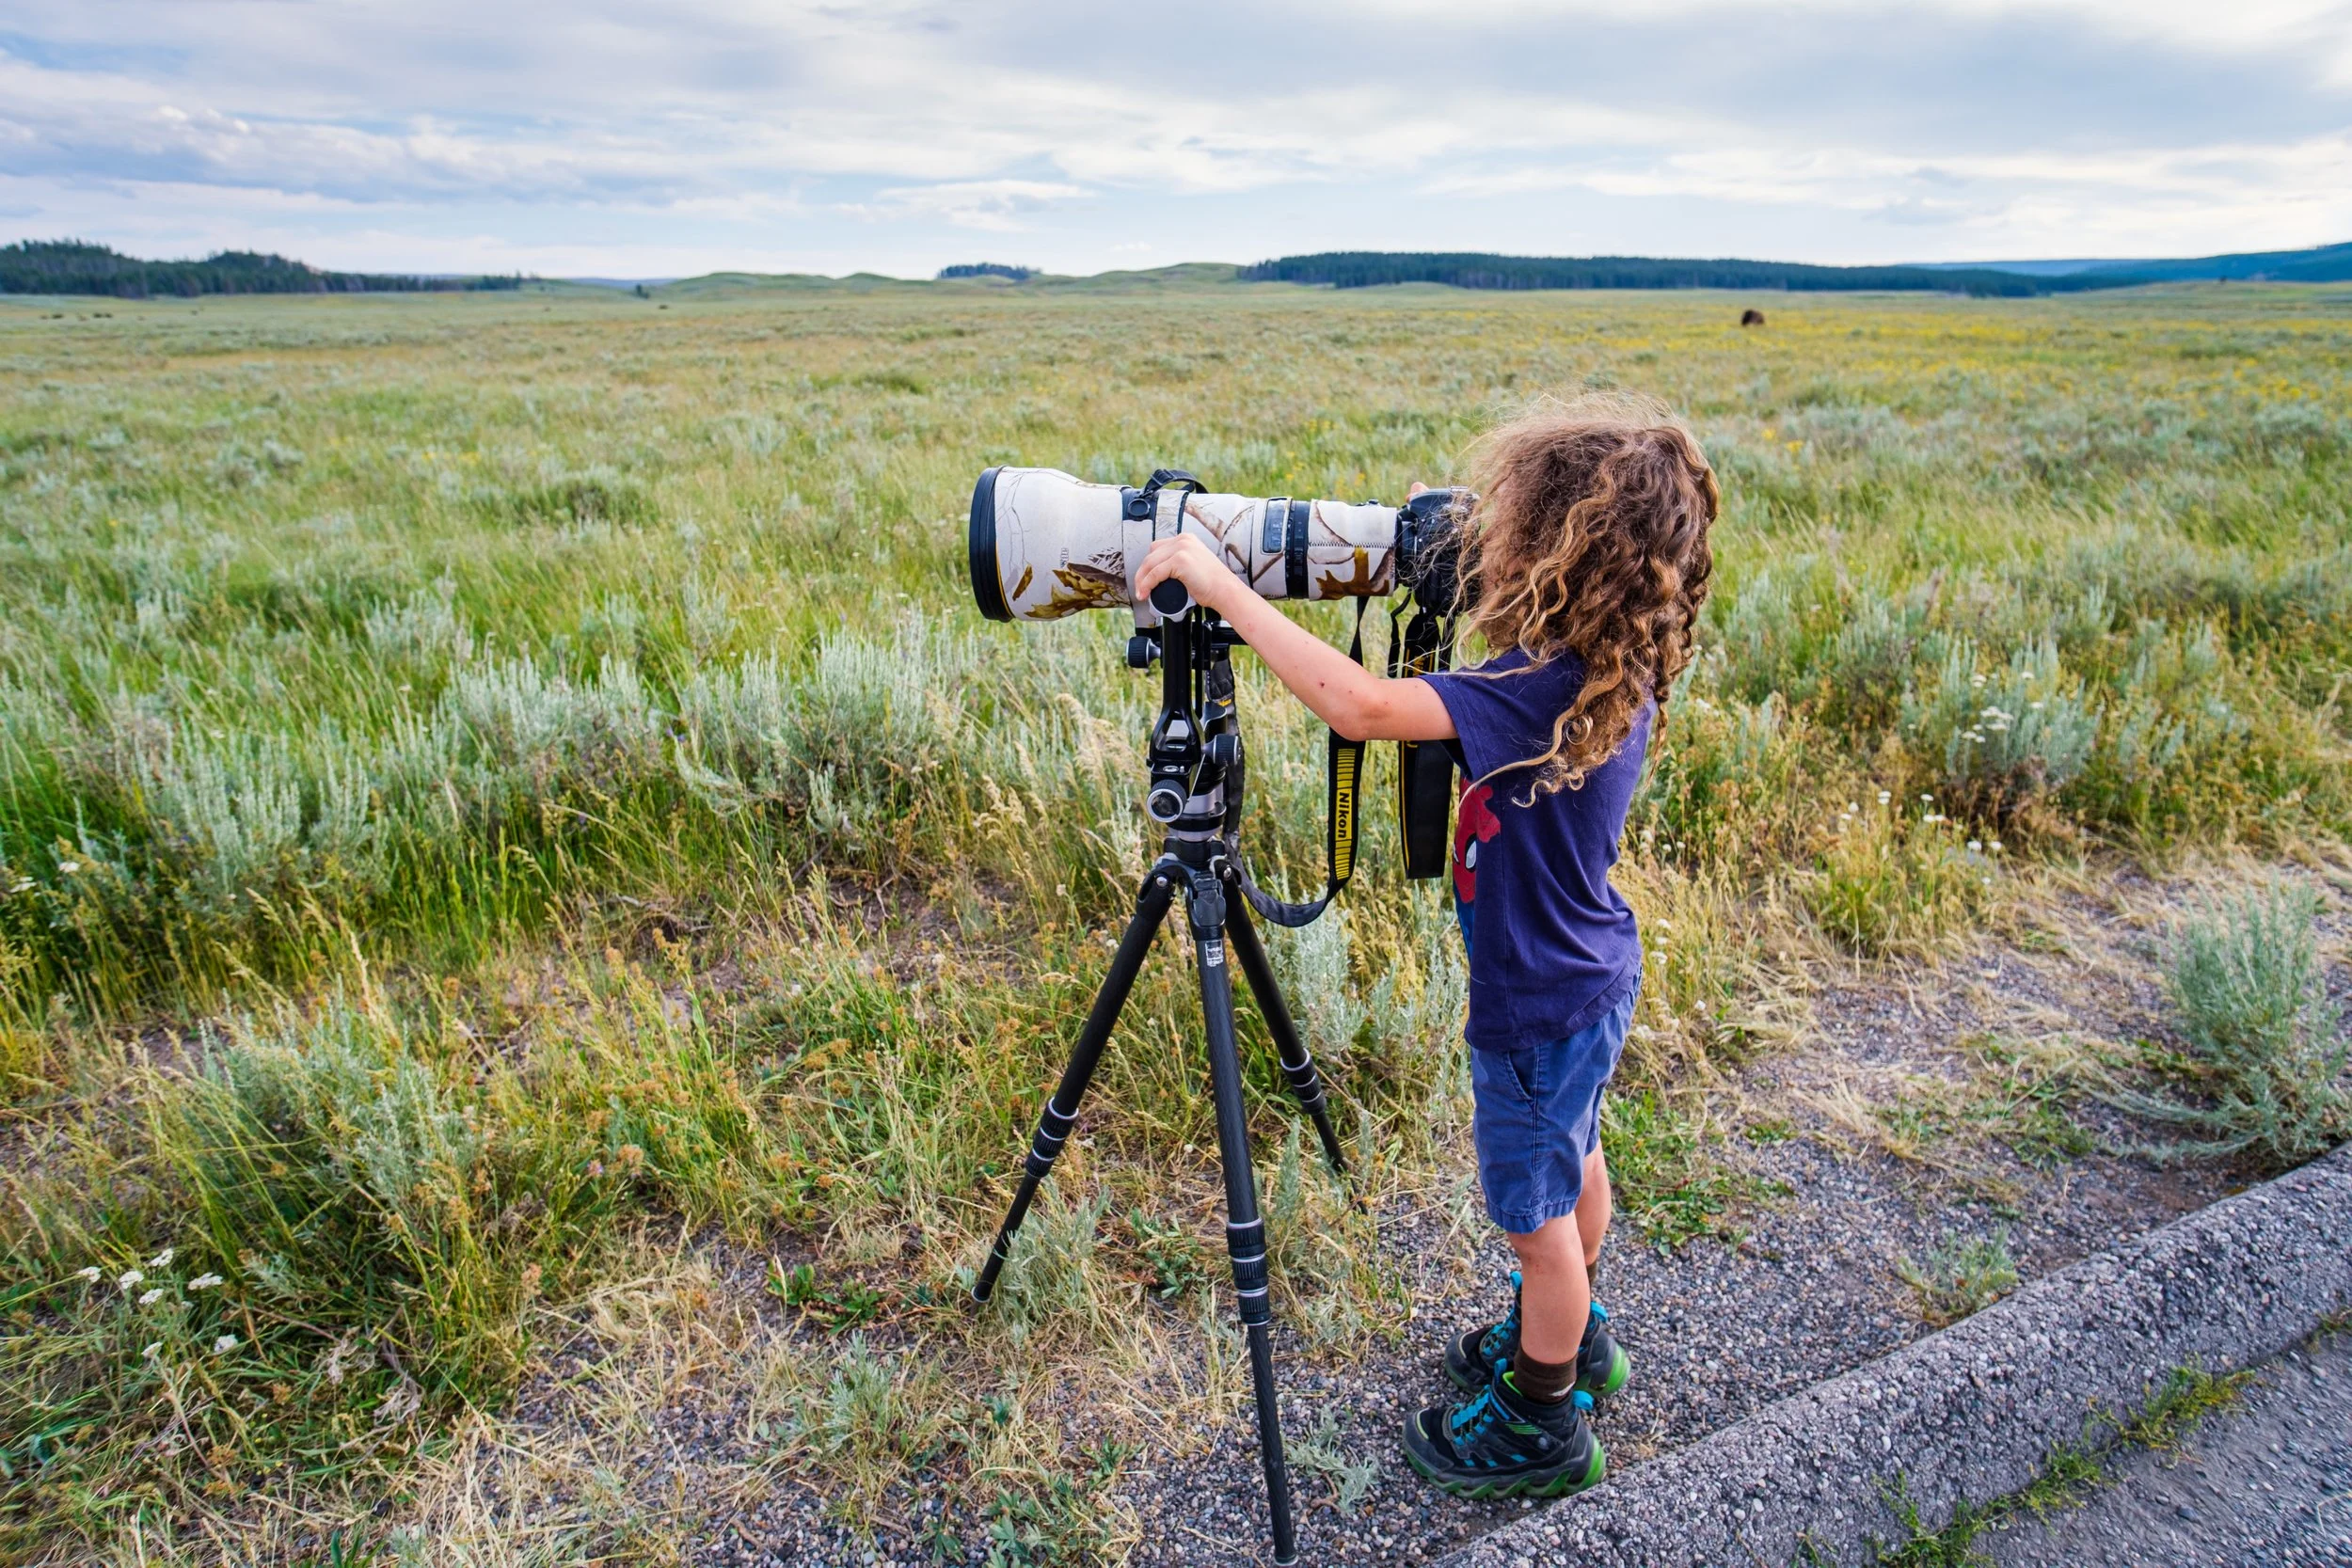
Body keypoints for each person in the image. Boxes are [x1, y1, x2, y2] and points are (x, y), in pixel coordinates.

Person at [1136, 392, 1720, 1500]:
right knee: (1577, 1155)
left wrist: (1221, 589)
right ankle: (1578, 1335)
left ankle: (1540, 1416)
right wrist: (1436, 533)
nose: (1491, 540)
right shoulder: (1610, 662)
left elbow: (1357, 706)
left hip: (1531, 1004)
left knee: (1533, 1223)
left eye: (1510, 525)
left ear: (1558, 554)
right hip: (1591, 973)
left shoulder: (1523, 688)